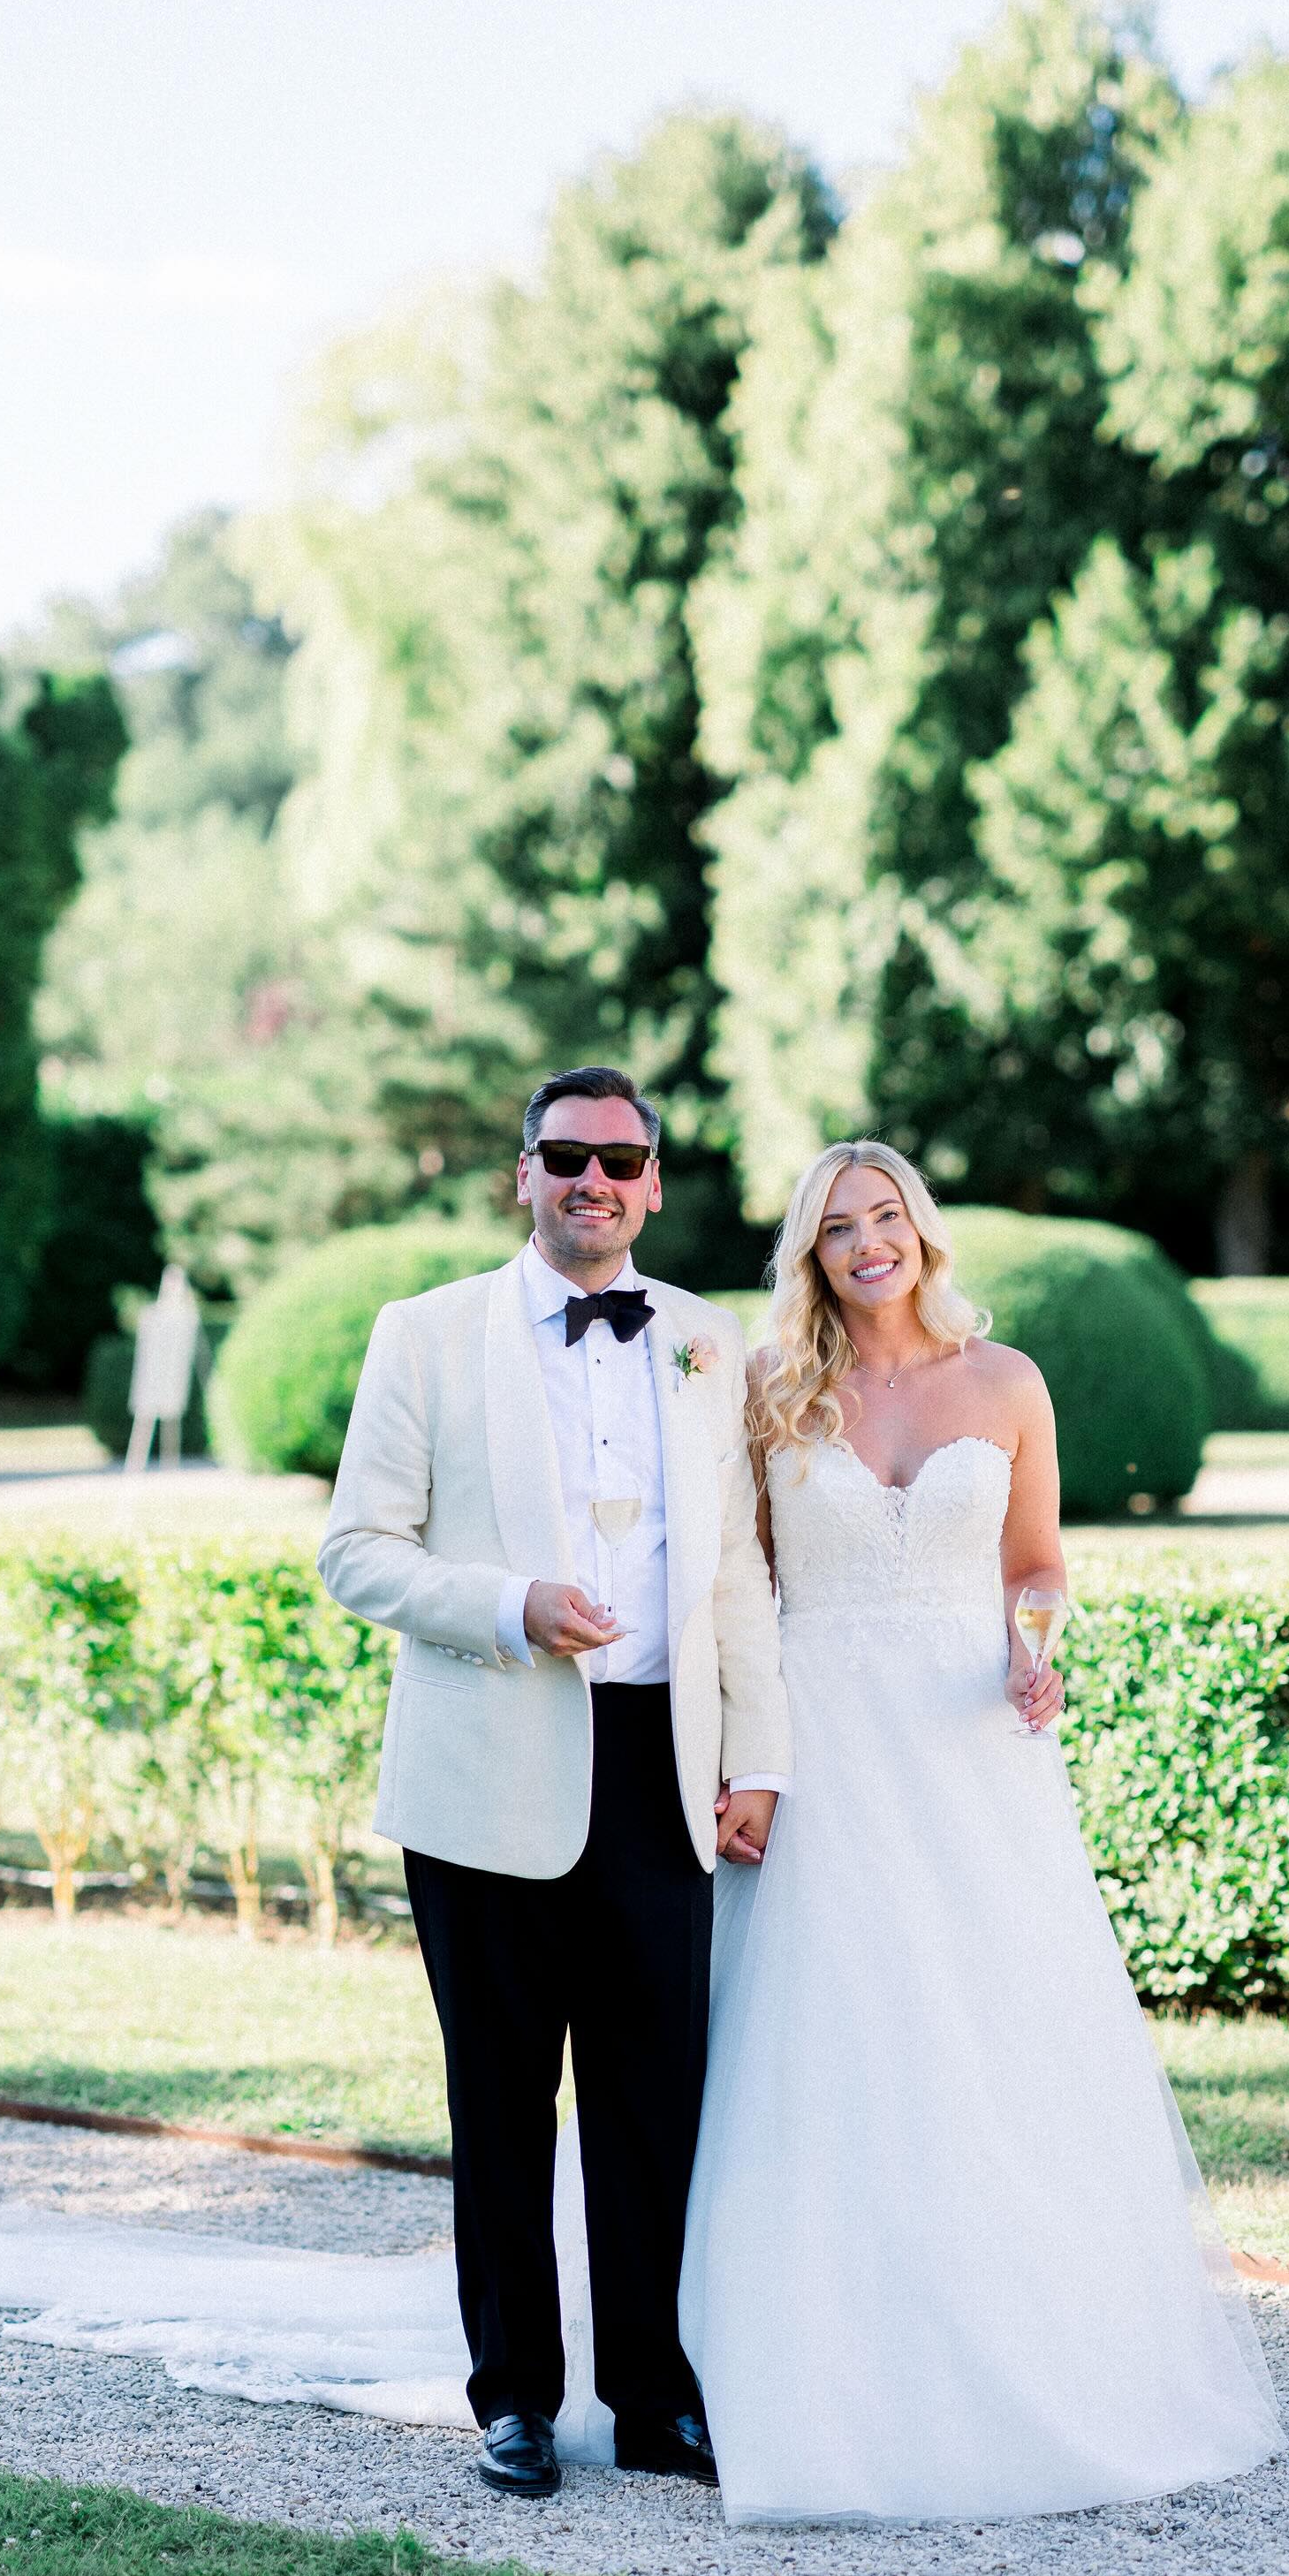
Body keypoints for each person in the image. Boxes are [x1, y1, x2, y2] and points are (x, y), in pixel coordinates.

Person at [679, 1140, 1284, 2523]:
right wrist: (739, 1754)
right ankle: (782, 2353)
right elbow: (741, 1589)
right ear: (812, 1255)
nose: (868, 1243)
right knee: (817, 2030)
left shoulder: (1007, 1385)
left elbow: (1036, 1565)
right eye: (840, 1228)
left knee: (986, 2028)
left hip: (966, 1749)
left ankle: (1013, 2330)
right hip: (819, 1746)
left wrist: (1032, 1647)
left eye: (886, 1216)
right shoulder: (775, 1391)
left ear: (921, 1230)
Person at [320, 1067, 791, 2500]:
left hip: (664, 1772)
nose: (594, 1181)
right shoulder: (425, 1336)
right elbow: (357, 1551)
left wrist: (756, 1755)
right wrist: (512, 1604)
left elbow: (733, 1575)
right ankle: (514, 2398)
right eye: (566, 1157)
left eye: (621, 1160)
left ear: (653, 1185)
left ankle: (654, 2401)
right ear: (521, 1175)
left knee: (657, 2107)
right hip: (486, 1780)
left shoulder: (709, 1343)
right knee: (504, 2104)